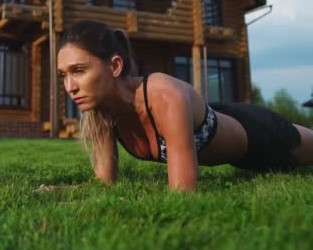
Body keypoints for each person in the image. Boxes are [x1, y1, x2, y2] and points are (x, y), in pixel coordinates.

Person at [56, 20, 313, 191]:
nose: (70, 86)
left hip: (258, 134)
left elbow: (183, 193)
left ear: (114, 66)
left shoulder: (165, 96)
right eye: (63, 75)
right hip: (222, 124)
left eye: (78, 71)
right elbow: (104, 182)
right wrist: (62, 190)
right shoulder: (100, 111)